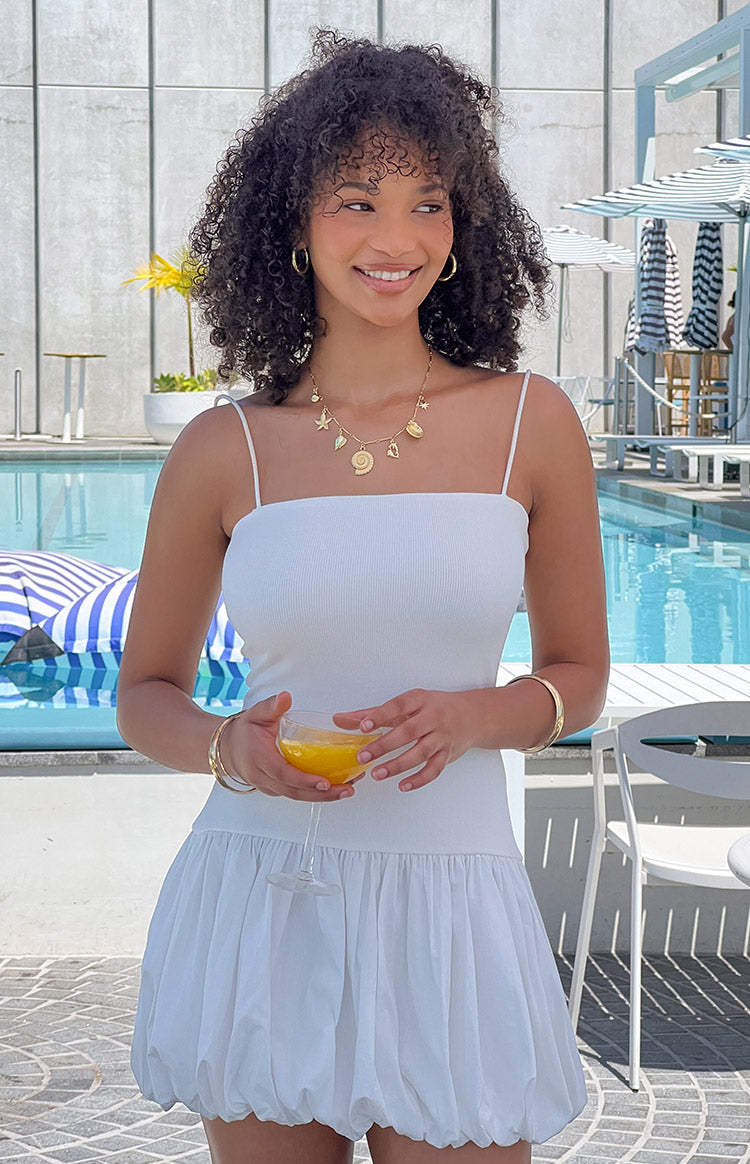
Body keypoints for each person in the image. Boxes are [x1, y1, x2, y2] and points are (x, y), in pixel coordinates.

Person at [118, 30, 609, 1164]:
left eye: (428, 204)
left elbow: (581, 671)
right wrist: (224, 752)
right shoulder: (221, 448)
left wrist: (481, 716)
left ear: (462, 226)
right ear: (292, 224)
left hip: (455, 904)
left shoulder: (532, 425)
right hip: (266, 888)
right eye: (357, 200)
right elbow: (145, 691)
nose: (397, 240)